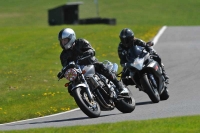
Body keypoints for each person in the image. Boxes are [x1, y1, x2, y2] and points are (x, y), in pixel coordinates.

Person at [57, 28, 129, 96]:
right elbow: (65, 65)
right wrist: (63, 71)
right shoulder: (63, 55)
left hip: (90, 63)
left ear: (71, 38)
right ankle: (86, 98)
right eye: (62, 41)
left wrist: (88, 52)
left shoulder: (81, 42)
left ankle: (120, 87)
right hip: (79, 72)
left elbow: (91, 50)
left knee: (100, 66)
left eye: (65, 40)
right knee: (70, 87)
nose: (63, 43)